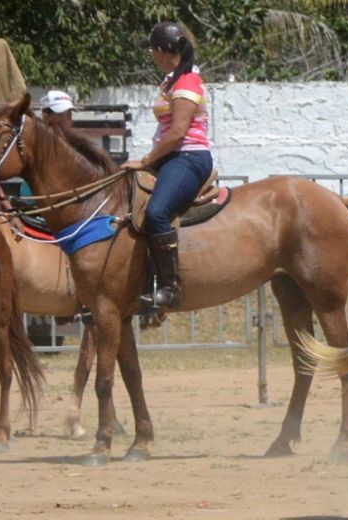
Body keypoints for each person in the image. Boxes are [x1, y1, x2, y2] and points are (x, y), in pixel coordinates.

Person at [119, 21, 213, 308]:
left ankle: (170, 287)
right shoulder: (173, 80)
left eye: (152, 51)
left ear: (161, 51)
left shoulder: (186, 82)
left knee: (157, 212)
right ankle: (140, 282)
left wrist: (146, 160)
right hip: (171, 157)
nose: (152, 56)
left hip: (188, 157)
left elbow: (177, 132)